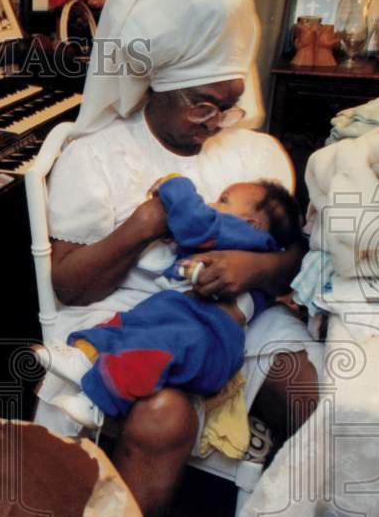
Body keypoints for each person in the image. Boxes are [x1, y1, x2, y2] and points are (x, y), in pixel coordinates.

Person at [38, 0, 323, 517]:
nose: (218, 121)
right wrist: (146, 223)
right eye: (202, 103)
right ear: (156, 87)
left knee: (316, 399)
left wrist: (250, 272)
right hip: (129, 313)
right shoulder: (95, 156)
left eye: (230, 101)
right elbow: (70, 285)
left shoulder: (255, 154)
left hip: (241, 314)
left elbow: (295, 257)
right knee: (162, 414)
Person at [48, 175, 302, 425]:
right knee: (127, 325)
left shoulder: (249, 238)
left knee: (150, 351)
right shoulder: (245, 244)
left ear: (250, 223)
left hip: (208, 338)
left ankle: (97, 401)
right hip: (186, 318)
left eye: (223, 200)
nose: (212, 205)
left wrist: (175, 185)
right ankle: (84, 358)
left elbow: (196, 223)